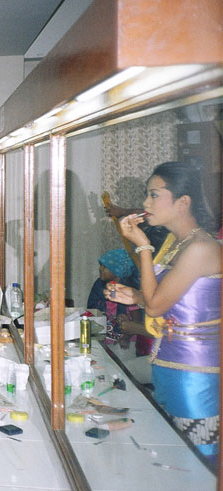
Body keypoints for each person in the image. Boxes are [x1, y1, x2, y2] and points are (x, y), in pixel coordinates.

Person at [105, 161, 221, 460]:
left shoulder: (201, 248)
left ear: (183, 202)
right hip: (167, 362)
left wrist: (142, 245)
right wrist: (136, 296)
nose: (145, 203)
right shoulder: (176, 243)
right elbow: (160, 298)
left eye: (153, 195)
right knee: (172, 455)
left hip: (194, 372)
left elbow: (156, 306)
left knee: (197, 457)